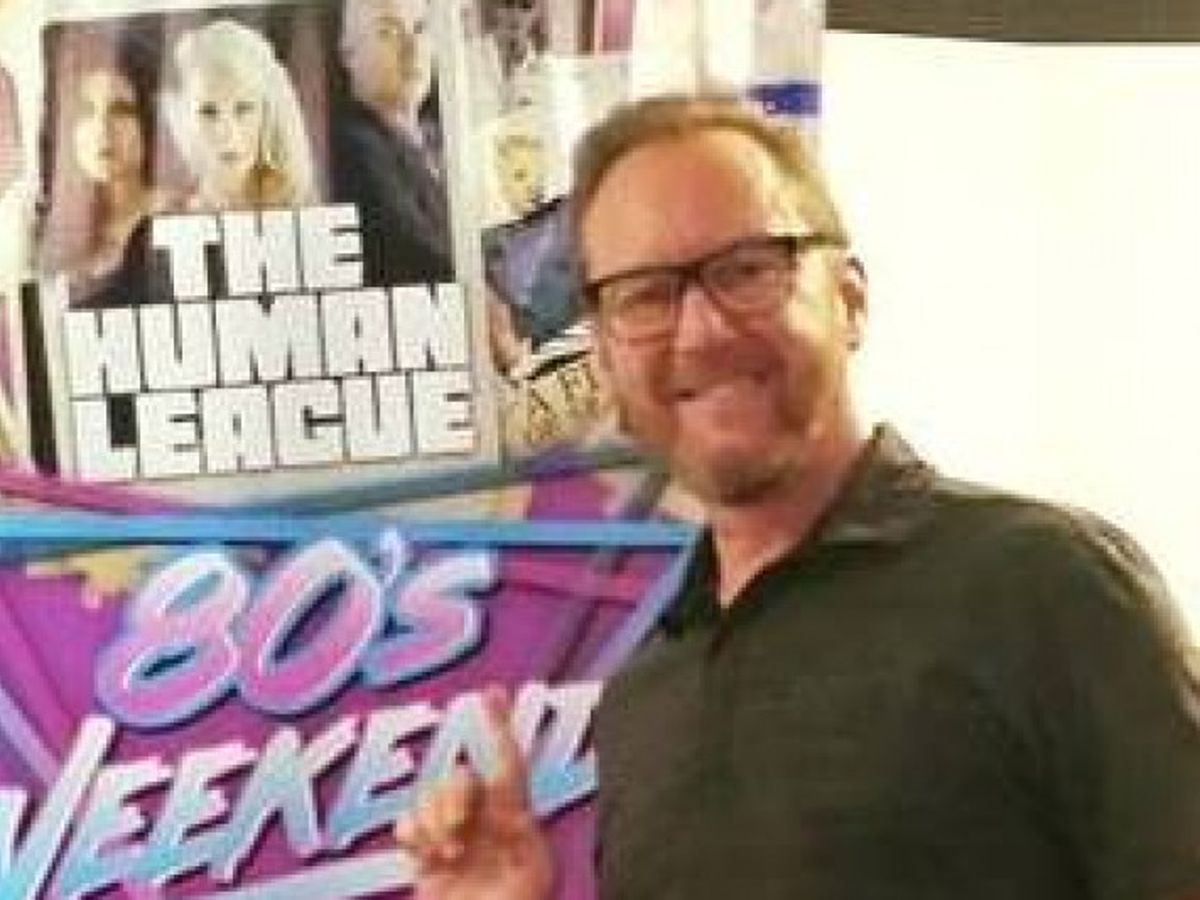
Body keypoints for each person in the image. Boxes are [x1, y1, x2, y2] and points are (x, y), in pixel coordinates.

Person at [395, 94, 1200, 899]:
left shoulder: (1046, 586)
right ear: (605, 358)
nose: (702, 331)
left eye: (747, 270)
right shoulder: (645, 699)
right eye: (646, 294)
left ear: (849, 299)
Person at [39, 31, 169, 307]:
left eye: (121, 110)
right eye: (86, 111)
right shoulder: (50, 230)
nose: (102, 130)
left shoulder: (178, 214)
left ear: (147, 121)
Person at [331, 0, 453, 286]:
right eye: (388, 33)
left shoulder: (438, 138)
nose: (413, 49)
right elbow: (426, 261)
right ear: (348, 53)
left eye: (420, 28)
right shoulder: (355, 150)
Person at [164, 18, 315, 211]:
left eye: (243, 109)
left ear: (267, 112)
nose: (226, 131)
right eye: (208, 111)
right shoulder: (175, 213)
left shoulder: (302, 208)